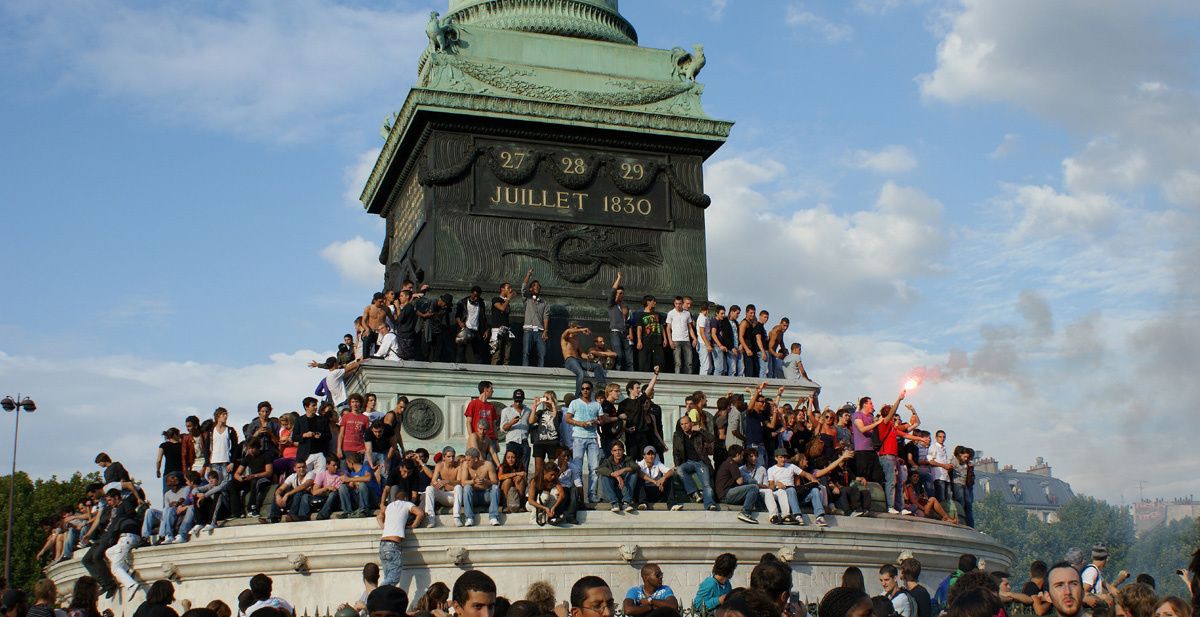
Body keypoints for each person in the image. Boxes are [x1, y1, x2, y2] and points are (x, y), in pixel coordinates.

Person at [566, 380, 605, 504]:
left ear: (591, 390)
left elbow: (602, 421)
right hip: (578, 437)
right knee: (577, 467)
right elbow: (568, 418)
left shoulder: (596, 405)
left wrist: (596, 422)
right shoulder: (574, 403)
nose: (585, 390)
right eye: (583, 388)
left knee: (594, 468)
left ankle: (592, 494)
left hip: (592, 437)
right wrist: (579, 423)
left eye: (587, 388)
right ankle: (578, 494)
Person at [376, 497, 424, 587]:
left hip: (383, 544)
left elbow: (379, 517)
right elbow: (420, 513)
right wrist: (413, 526)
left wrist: (385, 527)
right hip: (393, 545)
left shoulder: (389, 506)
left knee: (387, 579)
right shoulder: (407, 504)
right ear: (405, 498)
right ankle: (375, 593)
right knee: (393, 579)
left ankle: (381, 594)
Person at [672, 415, 716, 511]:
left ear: (691, 423)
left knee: (707, 485)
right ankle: (694, 493)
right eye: (682, 424)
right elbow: (676, 452)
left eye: (686, 423)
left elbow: (711, 439)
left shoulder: (698, 433)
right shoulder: (677, 435)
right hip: (687, 462)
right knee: (679, 470)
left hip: (700, 462)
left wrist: (700, 429)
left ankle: (709, 504)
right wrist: (677, 465)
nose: (684, 426)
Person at [714, 445, 760, 525]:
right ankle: (745, 512)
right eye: (742, 455)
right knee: (753, 488)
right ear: (738, 455)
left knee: (753, 493)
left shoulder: (727, 462)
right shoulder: (732, 463)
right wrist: (753, 482)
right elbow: (740, 481)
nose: (742, 458)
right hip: (726, 494)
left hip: (723, 494)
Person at [458, 448, 501, 527]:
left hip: (486, 495)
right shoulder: (465, 465)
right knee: (467, 488)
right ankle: (469, 518)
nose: (466, 462)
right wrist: (473, 481)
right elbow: (463, 482)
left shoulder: (488, 465)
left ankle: (493, 517)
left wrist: (486, 481)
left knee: (495, 488)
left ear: (476, 459)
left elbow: (495, 482)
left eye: (469, 460)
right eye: (466, 460)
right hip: (473, 496)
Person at [562, 323, 608, 397]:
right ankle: (577, 395)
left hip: (578, 360)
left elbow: (582, 354)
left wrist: (588, 356)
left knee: (597, 366)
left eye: (579, 328)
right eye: (577, 328)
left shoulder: (577, 340)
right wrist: (582, 330)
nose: (578, 330)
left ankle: (601, 383)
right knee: (580, 373)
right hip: (570, 360)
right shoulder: (565, 338)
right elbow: (567, 331)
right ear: (571, 327)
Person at [423, 446, 462, 527]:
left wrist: (448, 481)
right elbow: (433, 481)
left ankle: (456, 517)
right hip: (444, 495)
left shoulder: (459, 466)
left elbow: (460, 481)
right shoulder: (439, 465)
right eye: (449, 457)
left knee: (458, 487)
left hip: (455, 496)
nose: (451, 459)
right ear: (444, 457)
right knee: (429, 488)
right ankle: (431, 518)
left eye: (453, 456)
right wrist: (437, 483)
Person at [596, 442, 638, 513]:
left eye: (619, 450)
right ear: (612, 452)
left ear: (623, 451)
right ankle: (614, 504)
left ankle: (626, 503)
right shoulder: (607, 461)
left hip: (625, 491)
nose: (617, 452)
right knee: (604, 476)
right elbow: (599, 469)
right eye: (615, 450)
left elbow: (636, 467)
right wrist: (615, 475)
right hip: (612, 493)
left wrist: (623, 470)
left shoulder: (628, 459)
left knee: (634, 474)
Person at [465, 382, 501, 467]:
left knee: (491, 465)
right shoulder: (473, 403)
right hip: (478, 438)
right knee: (478, 463)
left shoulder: (491, 406)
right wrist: (471, 438)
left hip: (491, 439)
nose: (493, 391)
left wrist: (496, 441)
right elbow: (468, 422)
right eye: (491, 389)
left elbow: (493, 425)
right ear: (485, 389)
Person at [521, 270, 550, 367]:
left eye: (538, 286)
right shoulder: (527, 299)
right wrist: (528, 275)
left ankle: (541, 371)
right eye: (534, 285)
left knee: (542, 354)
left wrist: (545, 331)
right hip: (528, 330)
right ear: (530, 289)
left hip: (540, 332)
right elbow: (523, 288)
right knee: (526, 353)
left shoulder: (544, 303)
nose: (536, 287)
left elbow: (546, 317)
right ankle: (525, 371)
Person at [608, 272, 633, 371]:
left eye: (622, 293)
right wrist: (618, 278)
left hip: (625, 334)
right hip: (615, 332)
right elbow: (612, 291)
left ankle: (631, 374)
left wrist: (630, 333)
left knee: (629, 356)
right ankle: (618, 373)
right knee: (619, 355)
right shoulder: (611, 304)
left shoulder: (626, 307)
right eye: (619, 293)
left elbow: (629, 322)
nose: (620, 295)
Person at [501, 390, 531, 470]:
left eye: (520, 401)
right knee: (510, 467)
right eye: (516, 401)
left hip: (524, 441)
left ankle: (523, 478)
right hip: (512, 442)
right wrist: (511, 423)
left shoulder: (528, 410)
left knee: (524, 467)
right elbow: (502, 429)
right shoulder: (506, 411)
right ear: (513, 399)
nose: (518, 403)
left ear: (523, 400)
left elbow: (531, 424)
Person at [636, 296, 668, 373]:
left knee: (660, 362)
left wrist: (665, 339)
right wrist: (639, 341)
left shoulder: (658, 314)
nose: (655, 303)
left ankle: (658, 376)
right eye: (653, 301)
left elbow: (661, 326)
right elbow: (639, 328)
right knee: (644, 362)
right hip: (646, 341)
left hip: (657, 341)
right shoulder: (641, 315)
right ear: (648, 302)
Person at [665, 297, 695, 374]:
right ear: (674, 304)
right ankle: (677, 378)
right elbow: (668, 328)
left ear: (682, 304)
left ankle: (688, 378)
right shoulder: (671, 313)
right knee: (678, 363)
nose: (678, 305)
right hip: (675, 340)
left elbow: (690, 328)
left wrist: (694, 338)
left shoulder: (687, 313)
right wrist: (670, 341)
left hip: (686, 340)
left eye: (679, 303)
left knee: (689, 362)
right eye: (676, 303)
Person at [489, 283, 516, 365]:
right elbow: (502, 308)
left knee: (507, 354)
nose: (510, 290)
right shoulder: (496, 299)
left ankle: (506, 369)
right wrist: (508, 298)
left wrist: (508, 299)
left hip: (506, 329)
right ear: (502, 289)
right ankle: (493, 370)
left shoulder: (506, 301)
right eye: (508, 288)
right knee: (497, 353)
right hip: (497, 329)